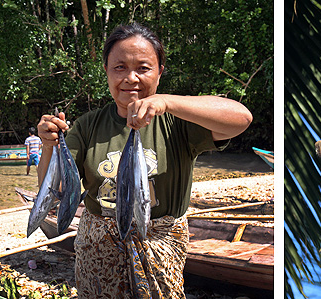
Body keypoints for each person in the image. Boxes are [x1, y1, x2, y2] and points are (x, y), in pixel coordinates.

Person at [36, 23, 252, 298]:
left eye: (143, 68)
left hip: (159, 249)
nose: (131, 78)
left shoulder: (178, 122)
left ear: (160, 73)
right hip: (97, 253)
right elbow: (57, 192)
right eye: (120, 67)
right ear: (106, 71)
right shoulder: (88, 125)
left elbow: (241, 119)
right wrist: (48, 145)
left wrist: (167, 103)